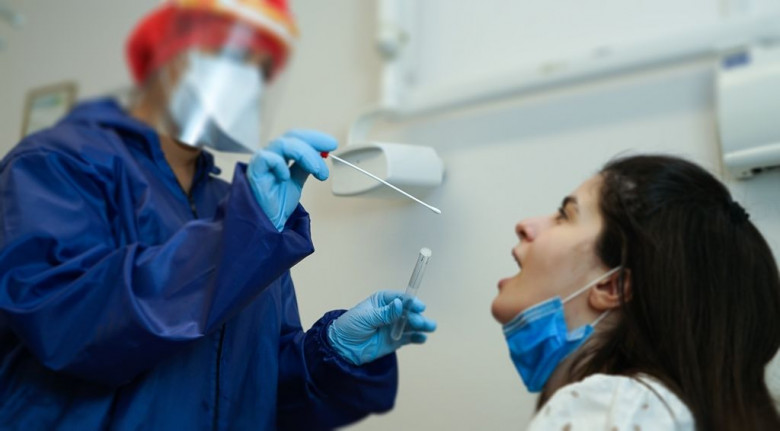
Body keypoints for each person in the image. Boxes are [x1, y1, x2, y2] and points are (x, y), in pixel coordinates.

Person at [0, 1, 435, 429]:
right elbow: (72, 328)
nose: (248, 84)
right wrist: (242, 239)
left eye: (261, 71)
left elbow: (261, 391)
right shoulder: (55, 165)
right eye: (235, 58)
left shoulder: (240, 207)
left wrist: (335, 352)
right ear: (169, 58)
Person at [491, 155, 780, 430]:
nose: (525, 226)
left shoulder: (611, 408)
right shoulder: (646, 410)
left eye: (564, 216)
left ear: (611, 286)